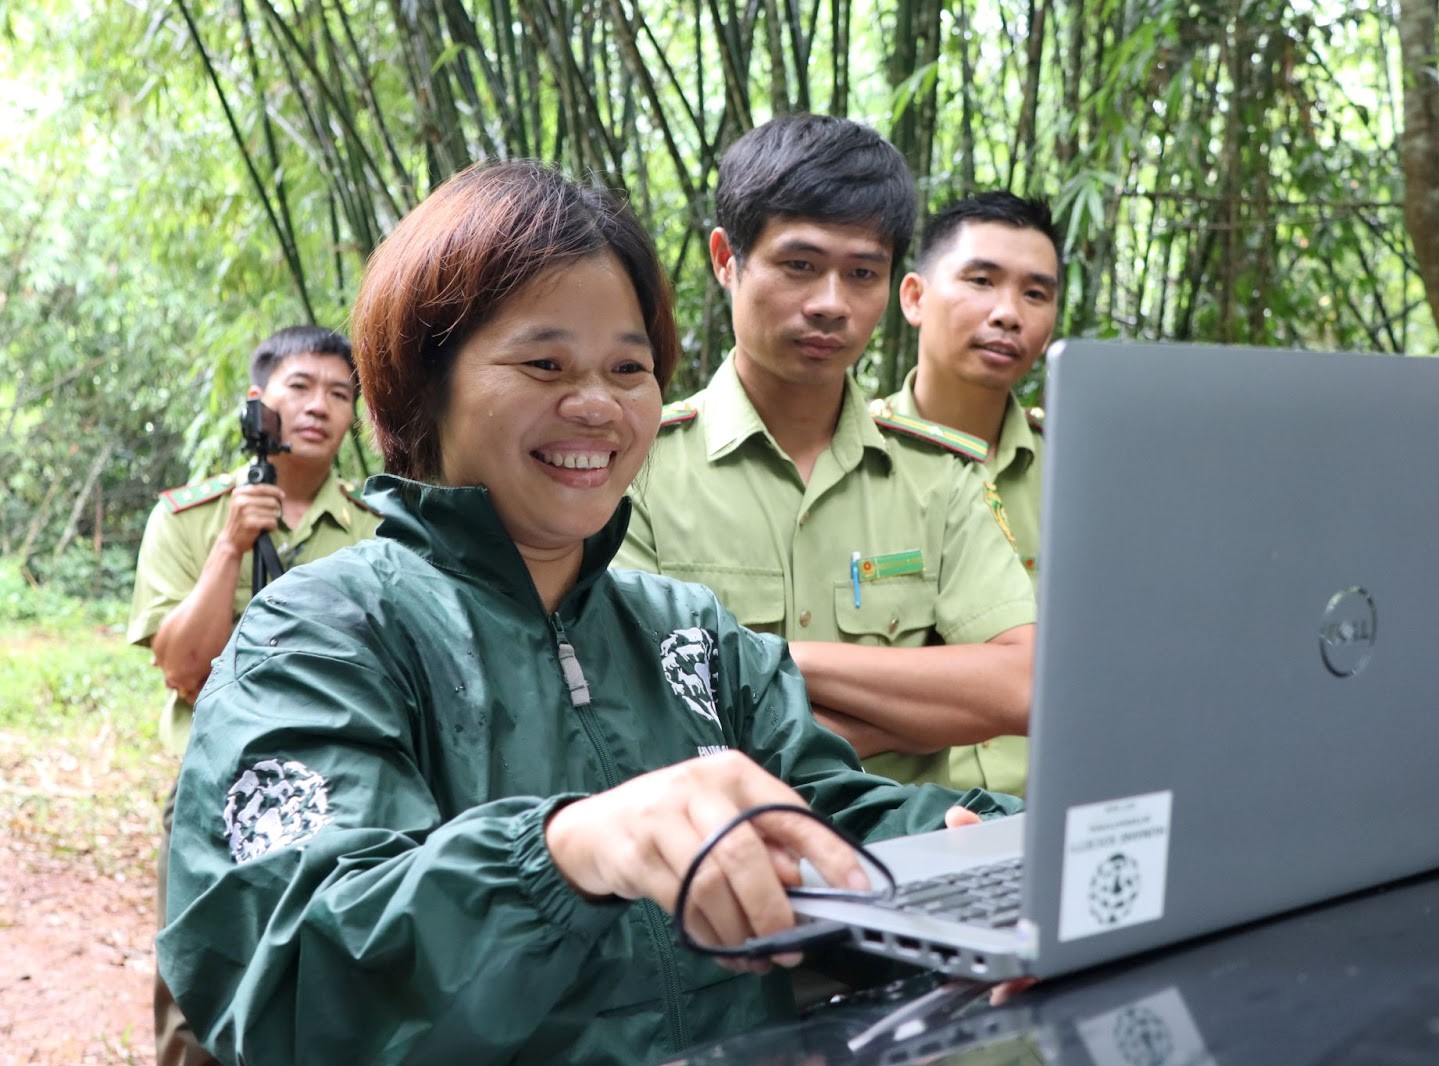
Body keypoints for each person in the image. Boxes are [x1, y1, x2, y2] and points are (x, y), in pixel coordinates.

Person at [154, 159, 1021, 1065]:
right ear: (423, 381)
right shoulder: (323, 632)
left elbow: (822, 817)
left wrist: (976, 855)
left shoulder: (689, 631)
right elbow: (290, 967)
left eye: (629, 367)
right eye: (545, 362)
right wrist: (564, 853)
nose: (599, 404)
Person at [614, 114, 1037, 794]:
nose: (830, 304)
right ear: (727, 259)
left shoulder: (939, 476)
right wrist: (924, 713)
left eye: (863, 273)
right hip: (712, 863)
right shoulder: (635, 468)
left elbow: (1024, 686)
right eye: (799, 265)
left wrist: (757, 664)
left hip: (904, 853)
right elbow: (626, 714)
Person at [127, 325, 377, 1066]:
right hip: (217, 785)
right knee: (200, 995)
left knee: (339, 987)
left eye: (339, 394)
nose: (319, 407)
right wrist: (232, 544)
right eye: (300, 387)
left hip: (349, 785)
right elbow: (182, 667)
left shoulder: (378, 526)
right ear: (258, 402)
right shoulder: (189, 516)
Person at [886, 192, 1064, 797]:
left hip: (1053, 805)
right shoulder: (851, 467)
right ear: (914, 297)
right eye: (981, 281)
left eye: (1035, 294)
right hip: (900, 823)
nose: (1008, 313)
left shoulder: (1080, 473)